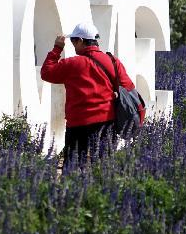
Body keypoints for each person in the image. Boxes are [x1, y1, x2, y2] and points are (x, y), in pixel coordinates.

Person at [40, 21, 141, 165]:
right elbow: (128, 87)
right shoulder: (112, 61)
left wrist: (57, 48)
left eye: (74, 42)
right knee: (104, 169)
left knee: (73, 169)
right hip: (105, 122)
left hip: (77, 124)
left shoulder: (72, 63)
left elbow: (46, 73)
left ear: (81, 41)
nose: (74, 46)